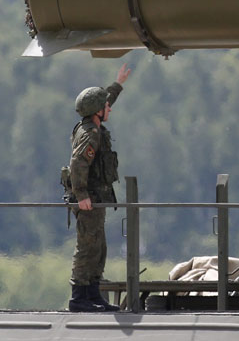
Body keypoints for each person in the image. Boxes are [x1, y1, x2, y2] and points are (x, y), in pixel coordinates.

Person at [66, 63, 132, 312]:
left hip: (94, 197)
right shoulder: (91, 134)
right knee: (87, 247)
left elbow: (102, 100)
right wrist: (81, 194)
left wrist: (118, 83)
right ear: (97, 112)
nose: (109, 108)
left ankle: (92, 294)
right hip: (88, 199)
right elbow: (78, 162)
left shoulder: (92, 124)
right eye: (106, 107)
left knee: (98, 247)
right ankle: (79, 297)